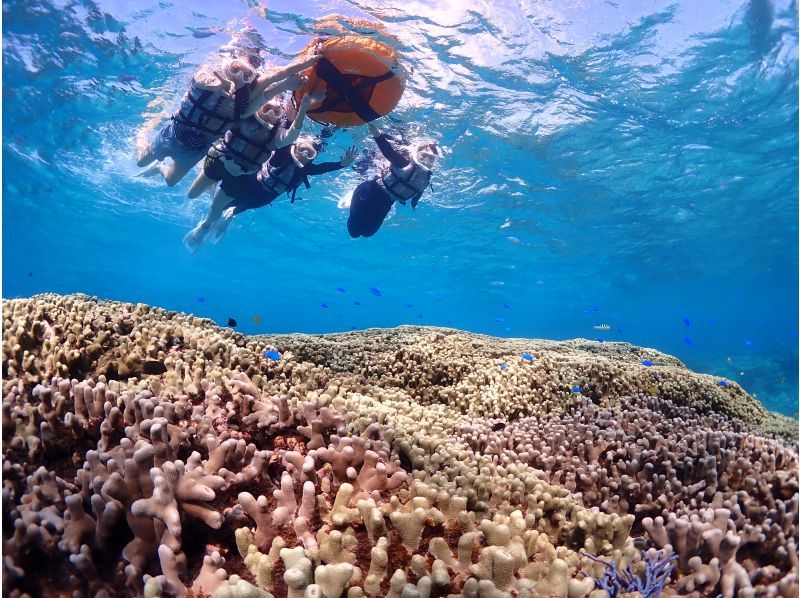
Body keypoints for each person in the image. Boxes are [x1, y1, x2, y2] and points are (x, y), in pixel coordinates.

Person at [136, 51, 320, 186]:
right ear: (227, 66)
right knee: (141, 162)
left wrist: (308, 62)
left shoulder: (243, 104)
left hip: (195, 150)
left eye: (247, 75)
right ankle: (142, 134)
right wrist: (215, 84)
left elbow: (275, 76)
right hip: (173, 135)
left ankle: (159, 168)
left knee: (170, 181)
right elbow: (200, 78)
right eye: (236, 69)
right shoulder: (209, 75)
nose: (240, 77)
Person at [182, 136, 358, 251]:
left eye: (310, 154)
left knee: (232, 208)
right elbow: (283, 142)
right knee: (226, 207)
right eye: (302, 148)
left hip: (264, 197)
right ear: (295, 146)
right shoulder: (281, 155)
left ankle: (218, 222)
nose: (304, 155)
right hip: (254, 185)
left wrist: (341, 164)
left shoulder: (305, 169)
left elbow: (322, 169)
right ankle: (211, 226)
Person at [185, 82, 325, 198]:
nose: (270, 114)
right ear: (259, 107)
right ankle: (167, 169)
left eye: (276, 112)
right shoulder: (245, 116)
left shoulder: (276, 135)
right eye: (266, 108)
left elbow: (292, 135)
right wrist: (281, 86)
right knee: (192, 195)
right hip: (219, 162)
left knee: (216, 210)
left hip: (241, 177)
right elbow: (255, 99)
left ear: (280, 116)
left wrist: (303, 110)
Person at [346, 122, 438, 238]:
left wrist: (414, 204)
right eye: (425, 156)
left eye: (430, 159)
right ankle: (350, 203)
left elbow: (418, 194)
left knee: (363, 231)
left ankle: (352, 205)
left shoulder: (417, 174)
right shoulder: (414, 171)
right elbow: (388, 152)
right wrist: (377, 134)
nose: (427, 161)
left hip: (377, 198)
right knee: (360, 231)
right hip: (375, 197)